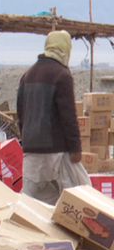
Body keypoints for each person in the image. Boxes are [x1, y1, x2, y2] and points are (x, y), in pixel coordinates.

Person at [16, 30, 88, 204]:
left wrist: (26, 140)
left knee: (31, 204)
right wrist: (75, 148)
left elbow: (20, 113)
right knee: (81, 196)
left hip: (31, 150)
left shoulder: (28, 75)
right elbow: (68, 115)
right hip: (56, 151)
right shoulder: (61, 75)